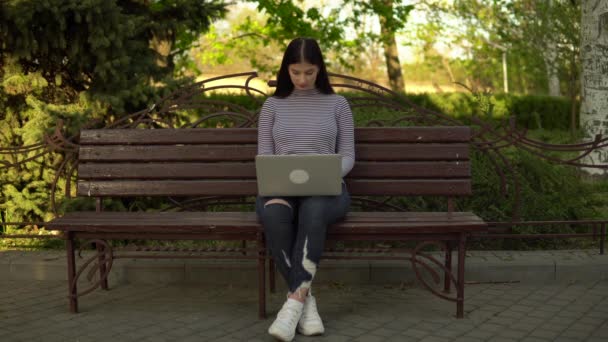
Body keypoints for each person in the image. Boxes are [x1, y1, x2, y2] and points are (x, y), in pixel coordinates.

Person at [255, 37, 355, 342]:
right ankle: (304, 301)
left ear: (320, 69)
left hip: (326, 189)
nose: (301, 79)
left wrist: (328, 174)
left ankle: (292, 307)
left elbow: (349, 155)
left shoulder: (338, 104)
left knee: (313, 210)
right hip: (280, 187)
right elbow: (265, 155)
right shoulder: (272, 106)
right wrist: (274, 179)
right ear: (286, 69)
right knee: (273, 214)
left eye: (309, 72)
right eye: (295, 72)